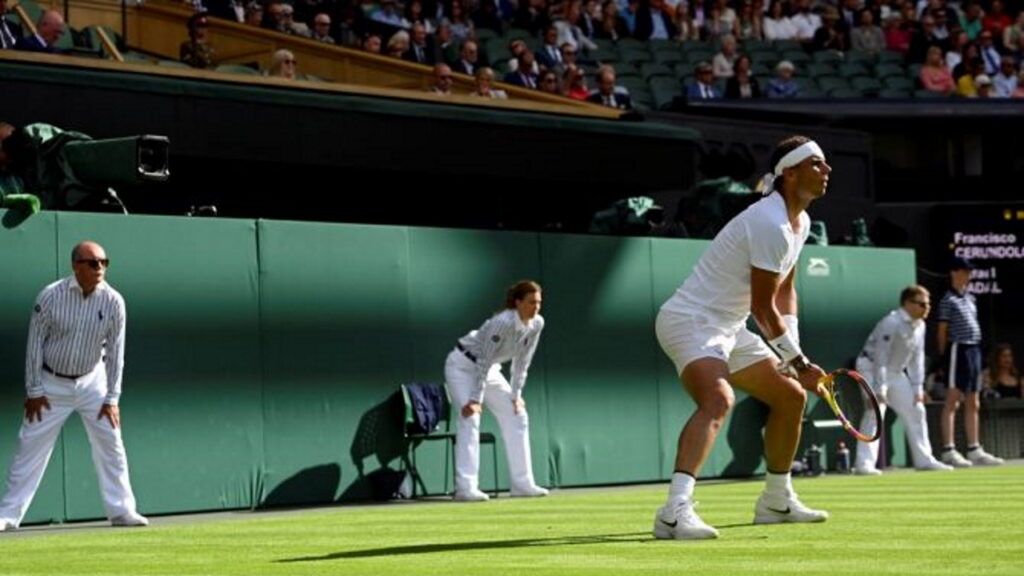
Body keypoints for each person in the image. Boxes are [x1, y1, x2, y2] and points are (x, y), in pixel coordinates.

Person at [653, 135, 830, 540]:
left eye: (825, 164)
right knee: (719, 399)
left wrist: (793, 353)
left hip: (729, 327)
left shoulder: (799, 223)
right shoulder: (768, 222)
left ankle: (776, 500)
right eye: (816, 163)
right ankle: (673, 512)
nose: (827, 170)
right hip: (690, 320)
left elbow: (785, 292)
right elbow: (763, 308)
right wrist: (798, 363)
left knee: (791, 396)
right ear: (789, 174)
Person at [0, 241, 148, 531]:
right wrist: (35, 391)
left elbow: (117, 353)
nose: (100, 268)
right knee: (29, 448)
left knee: (111, 444)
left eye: (104, 262)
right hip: (51, 384)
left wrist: (112, 398)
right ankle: (7, 514)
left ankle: (123, 511)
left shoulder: (114, 301)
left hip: (94, 382)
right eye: (93, 263)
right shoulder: (51, 296)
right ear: (75, 266)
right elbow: (34, 346)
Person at [445, 280, 549, 501]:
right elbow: (484, 359)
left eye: (538, 302)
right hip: (463, 366)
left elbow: (523, 361)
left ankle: (522, 484)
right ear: (518, 302)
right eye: (531, 302)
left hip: (489, 371)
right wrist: (475, 399)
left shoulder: (537, 323)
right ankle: (466, 488)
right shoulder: (502, 322)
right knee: (470, 417)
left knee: (518, 414)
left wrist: (516, 395)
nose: (536, 307)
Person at [852, 285, 954, 475]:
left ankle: (924, 460)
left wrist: (917, 389)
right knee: (875, 413)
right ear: (908, 303)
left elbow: (917, 358)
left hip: (897, 373)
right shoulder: (891, 323)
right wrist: (879, 388)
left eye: (928, 304)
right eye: (922, 304)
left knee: (917, 410)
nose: (927, 308)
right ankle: (863, 464)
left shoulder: (920, 325)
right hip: (871, 369)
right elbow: (881, 357)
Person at [936, 257, 1004, 467]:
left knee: (974, 401)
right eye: (965, 271)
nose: (969, 275)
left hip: (974, 350)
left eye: (969, 271)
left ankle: (974, 448)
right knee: (953, 399)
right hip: (958, 349)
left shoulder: (971, 298)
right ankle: (949, 449)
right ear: (954, 273)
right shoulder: (948, 299)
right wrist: (944, 358)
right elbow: (942, 331)